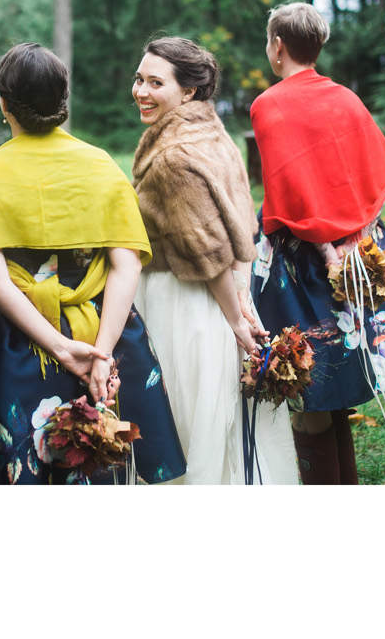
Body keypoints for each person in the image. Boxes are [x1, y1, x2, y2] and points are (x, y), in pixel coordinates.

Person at [0, 43, 185, 484]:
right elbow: (127, 267)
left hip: (13, 337)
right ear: (63, 101)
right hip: (106, 326)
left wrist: (60, 348)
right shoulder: (102, 167)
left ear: (4, 103)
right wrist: (101, 352)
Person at [250, 2, 385, 484]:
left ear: (277, 46)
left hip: (304, 264)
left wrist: (327, 248)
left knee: (311, 388)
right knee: (334, 385)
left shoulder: (268, 105)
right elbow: (379, 169)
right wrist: (358, 237)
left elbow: (288, 192)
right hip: (361, 250)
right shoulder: (346, 97)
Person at [130, 36, 298, 484]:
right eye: (139, 79)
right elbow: (241, 222)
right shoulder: (212, 132)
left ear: (188, 92)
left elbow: (207, 254)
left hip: (185, 302)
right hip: (228, 291)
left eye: (155, 83)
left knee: (188, 419)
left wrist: (235, 318)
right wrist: (242, 296)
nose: (141, 91)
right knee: (219, 416)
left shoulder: (172, 156)